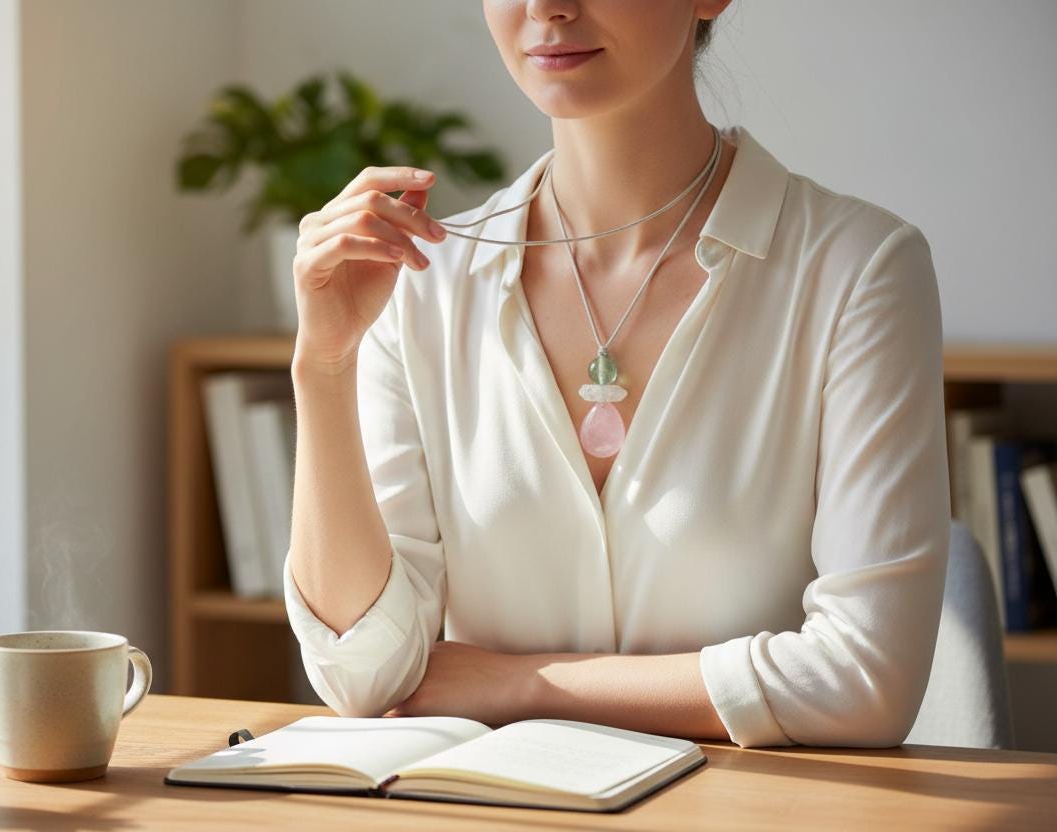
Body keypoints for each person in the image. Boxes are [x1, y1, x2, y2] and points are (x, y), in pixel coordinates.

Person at [283, 0, 950, 749]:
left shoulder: (858, 270)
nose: (547, 8)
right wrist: (325, 364)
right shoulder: (421, 286)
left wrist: (524, 684)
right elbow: (365, 676)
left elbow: (868, 680)